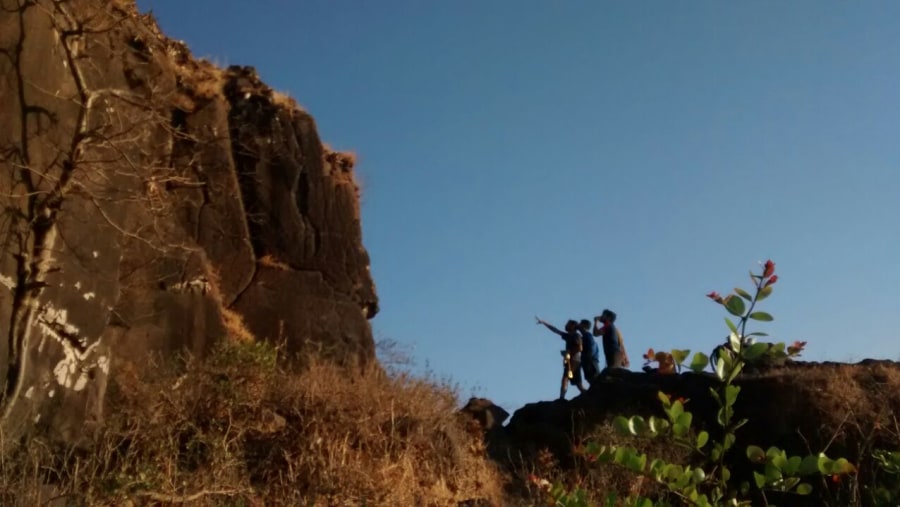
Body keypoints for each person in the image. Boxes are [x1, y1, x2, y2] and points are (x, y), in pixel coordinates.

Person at [535, 317, 586, 400]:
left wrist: (568, 352)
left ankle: (561, 398)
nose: (566, 325)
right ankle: (586, 394)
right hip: (573, 360)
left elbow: (580, 348)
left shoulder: (576, 335)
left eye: (568, 324)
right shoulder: (569, 335)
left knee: (565, 378)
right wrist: (544, 322)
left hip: (573, 360)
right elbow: (555, 330)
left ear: (572, 326)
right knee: (578, 383)